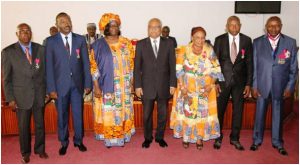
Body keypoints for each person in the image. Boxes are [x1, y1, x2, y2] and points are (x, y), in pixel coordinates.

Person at [250, 16, 298, 156]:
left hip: (280, 87)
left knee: (278, 115)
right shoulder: (257, 42)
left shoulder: (290, 42)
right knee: (259, 114)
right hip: (262, 85)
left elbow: (294, 68)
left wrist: (290, 87)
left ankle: (278, 142)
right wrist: (254, 86)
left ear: (281, 26)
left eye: (276, 25)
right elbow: (254, 67)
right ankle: (256, 140)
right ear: (266, 26)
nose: (273, 28)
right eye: (270, 26)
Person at [170, 27, 224, 150]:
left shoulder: (209, 51)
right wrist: (183, 88)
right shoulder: (183, 50)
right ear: (192, 37)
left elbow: (217, 69)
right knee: (187, 113)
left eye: (202, 37)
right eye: (197, 37)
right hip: (186, 88)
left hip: (204, 89)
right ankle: (186, 137)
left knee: (201, 114)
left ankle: (199, 138)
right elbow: (178, 70)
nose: (200, 40)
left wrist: (211, 85)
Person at [45, 12, 92, 156]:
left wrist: (88, 83)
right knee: (62, 116)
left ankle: (79, 141)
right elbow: (49, 67)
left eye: (68, 20)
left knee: (78, 115)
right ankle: (63, 142)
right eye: (63, 21)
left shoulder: (80, 40)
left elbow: (86, 63)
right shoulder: (51, 41)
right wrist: (51, 88)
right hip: (60, 87)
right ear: (57, 24)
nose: (67, 23)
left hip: (77, 85)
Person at [1, 23, 48, 163]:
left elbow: (45, 74)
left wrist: (46, 93)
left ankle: (40, 149)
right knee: (23, 127)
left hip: (39, 95)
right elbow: (6, 79)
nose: (25, 33)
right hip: (20, 97)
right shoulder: (8, 52)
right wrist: (10, 99)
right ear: (17, 34)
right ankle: (25, 153)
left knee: (40, 125)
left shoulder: (40, 49)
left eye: (28, 31)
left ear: (31, 33)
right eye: (22, 31)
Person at [89, 13, 135, 148]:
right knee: (109, 112)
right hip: (106, 85)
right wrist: (96, 86)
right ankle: (109, 138)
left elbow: (132, 64)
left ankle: (122, 136)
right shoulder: (97, 45)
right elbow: (93, 67)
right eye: (111, 25)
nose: (114, 27)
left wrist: (132, 83)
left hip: (124, 86)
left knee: (122, 111)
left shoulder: (126, 43)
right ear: (105, 28)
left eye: (116, 25)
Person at [134, 18, 177, 148]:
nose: (153, 29)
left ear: (161, 29)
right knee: (146, 115)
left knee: (163, 115)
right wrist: (137, 86)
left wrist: (173, 84)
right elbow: (137, 67)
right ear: (148, 29)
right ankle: (147, 138)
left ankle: (159, 137)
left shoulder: (168, 43)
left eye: (156, 27)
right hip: (146, 86)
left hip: (164, 86)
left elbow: (172, 65)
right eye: (151, 27)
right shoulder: (141, 44)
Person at [213, 16, 253, 151]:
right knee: (219, 110)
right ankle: (218, 137)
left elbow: (249, 63)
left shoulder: (247, 40)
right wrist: (216, 81)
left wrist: (248, 84)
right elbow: (215, 62)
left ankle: (235, 138)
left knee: (238, 111)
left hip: (240, 83)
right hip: (222, 82)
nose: (234, 27)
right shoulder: (219, 40)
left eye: (237, 25)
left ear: (240, 26)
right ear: (227, 26)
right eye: (231, 25)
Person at [83, 23, 102, 102]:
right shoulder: (83, 38)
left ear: (95, 29)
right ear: (87, 30)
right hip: (86, 63)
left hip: (97, 63)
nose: (91, 31)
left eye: (93, 29)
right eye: (89, 29)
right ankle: (87, 97)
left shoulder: (100, 37)